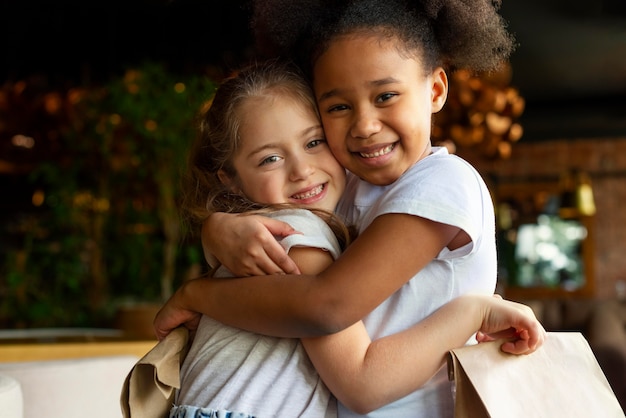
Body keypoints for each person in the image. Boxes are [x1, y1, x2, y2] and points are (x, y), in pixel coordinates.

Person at [155, 1, 545, 416]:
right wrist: (218, 229)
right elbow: (285, 223)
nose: (364, 125)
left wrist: (197, 293)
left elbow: (328, 307)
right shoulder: (345, 187)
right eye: (339, 107)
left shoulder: (444, 183)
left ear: (435, 90)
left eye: (386, 96)